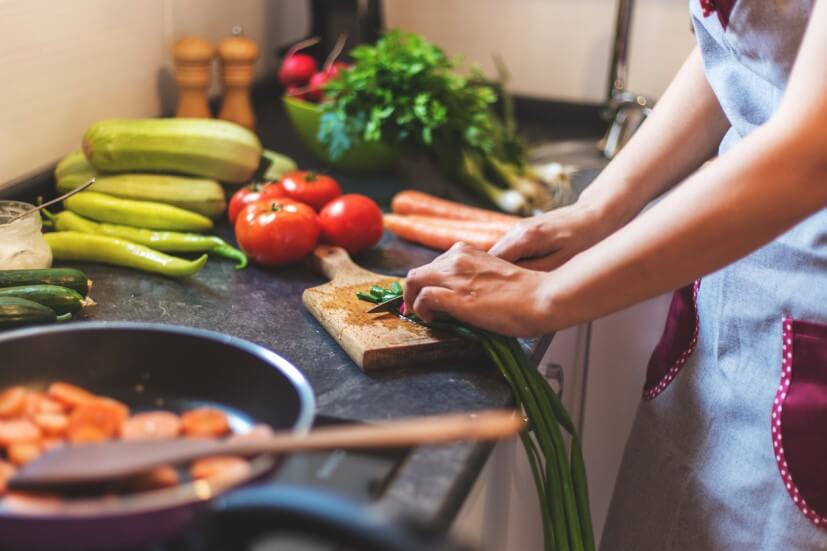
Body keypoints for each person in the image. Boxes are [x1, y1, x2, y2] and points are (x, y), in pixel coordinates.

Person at [403, 0, 827, 548]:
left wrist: (548, 295)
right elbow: (744, 51)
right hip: (735, 310)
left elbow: (811, 155)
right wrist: (600, 205)